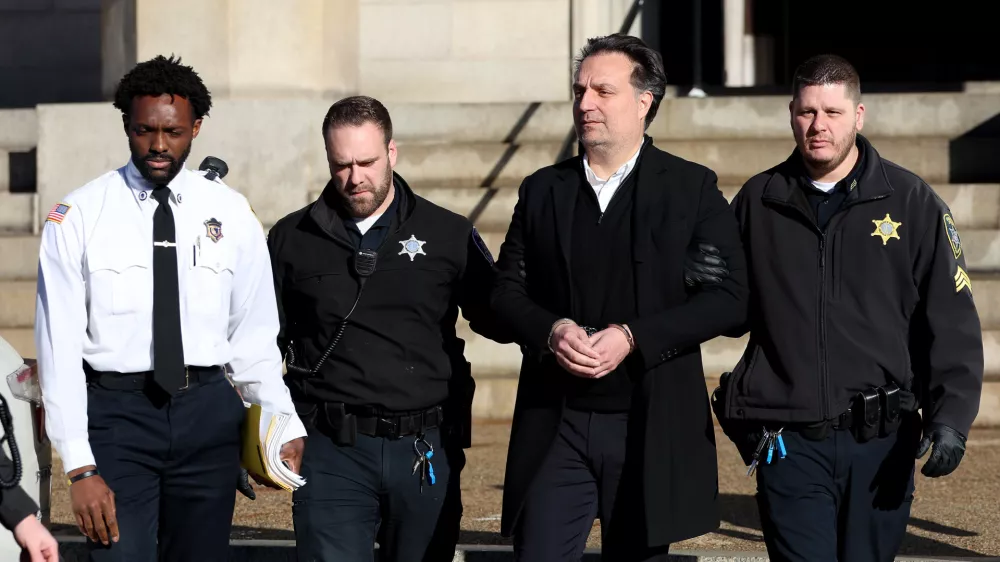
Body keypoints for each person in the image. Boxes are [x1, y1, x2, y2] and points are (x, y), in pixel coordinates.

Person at [712, 54, 984, 562]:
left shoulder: (912, 202)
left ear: (858, 116)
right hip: (789, 441)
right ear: (791, 113)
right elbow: (731, 311)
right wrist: (701, 279)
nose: (818, 126)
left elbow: (951, 320)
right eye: (807, 112)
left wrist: (951, 417)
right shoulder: (758, 199)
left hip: (881, 443)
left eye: (833, 113)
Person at [34, 55, 306, 561]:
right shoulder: (78, 217)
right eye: (145, 131)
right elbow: (58, 350)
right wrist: (80, 466)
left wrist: (281, 420)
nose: (159, 145)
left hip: (207, 417)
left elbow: (253, 336)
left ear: (196, 127)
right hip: (117, 419)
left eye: (174, 132)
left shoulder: (231, 213)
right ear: (127, 126)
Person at [491, 33, 749, 561]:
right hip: (555, 422)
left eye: (602, 91)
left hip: (648, 425)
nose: (585, 104)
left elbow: (731, 300)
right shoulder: (542, 190)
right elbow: (502, 295)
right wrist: (552, 329)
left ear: (643, 102)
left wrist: (633, 338)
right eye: (580, 90)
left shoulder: (691, 188)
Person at [267, 95, 511, 562]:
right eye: (341, 164)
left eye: (367, 161)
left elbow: (501, 319)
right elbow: (258, 343)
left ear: (392, 153)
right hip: (330, 450)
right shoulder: (290, 238)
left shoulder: (448, 233)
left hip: (423, 448)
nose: (355, 177)